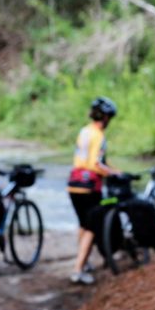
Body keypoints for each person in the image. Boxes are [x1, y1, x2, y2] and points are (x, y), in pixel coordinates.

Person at [67, 96, 120, 285]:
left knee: (83, 223)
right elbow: (95, 164)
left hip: (73, 183)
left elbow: (89, 160)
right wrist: (113, 173)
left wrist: (112, 168)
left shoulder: (85, 131)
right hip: (89, 187)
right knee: (92, 226)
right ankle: (78, 269)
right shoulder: (99, 136)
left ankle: (84, 262)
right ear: (105, 118)